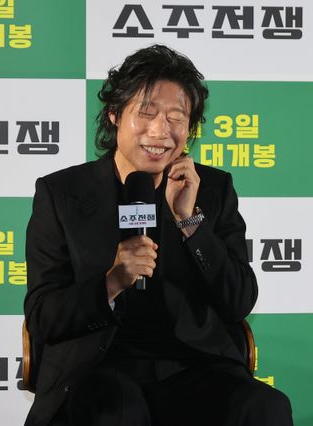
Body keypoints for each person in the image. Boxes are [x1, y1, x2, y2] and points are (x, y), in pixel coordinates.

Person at [24, 44, 293, 426]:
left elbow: (238, 300)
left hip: (194, 367)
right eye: (146, 113)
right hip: (97, 369)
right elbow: (43, 316)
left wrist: (190, 221)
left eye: (176, 117)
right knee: (117, 412)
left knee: (264, 407)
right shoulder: (63, 194)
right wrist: (112, 281)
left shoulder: (211, 189)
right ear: (114, 114)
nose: (160, 131)